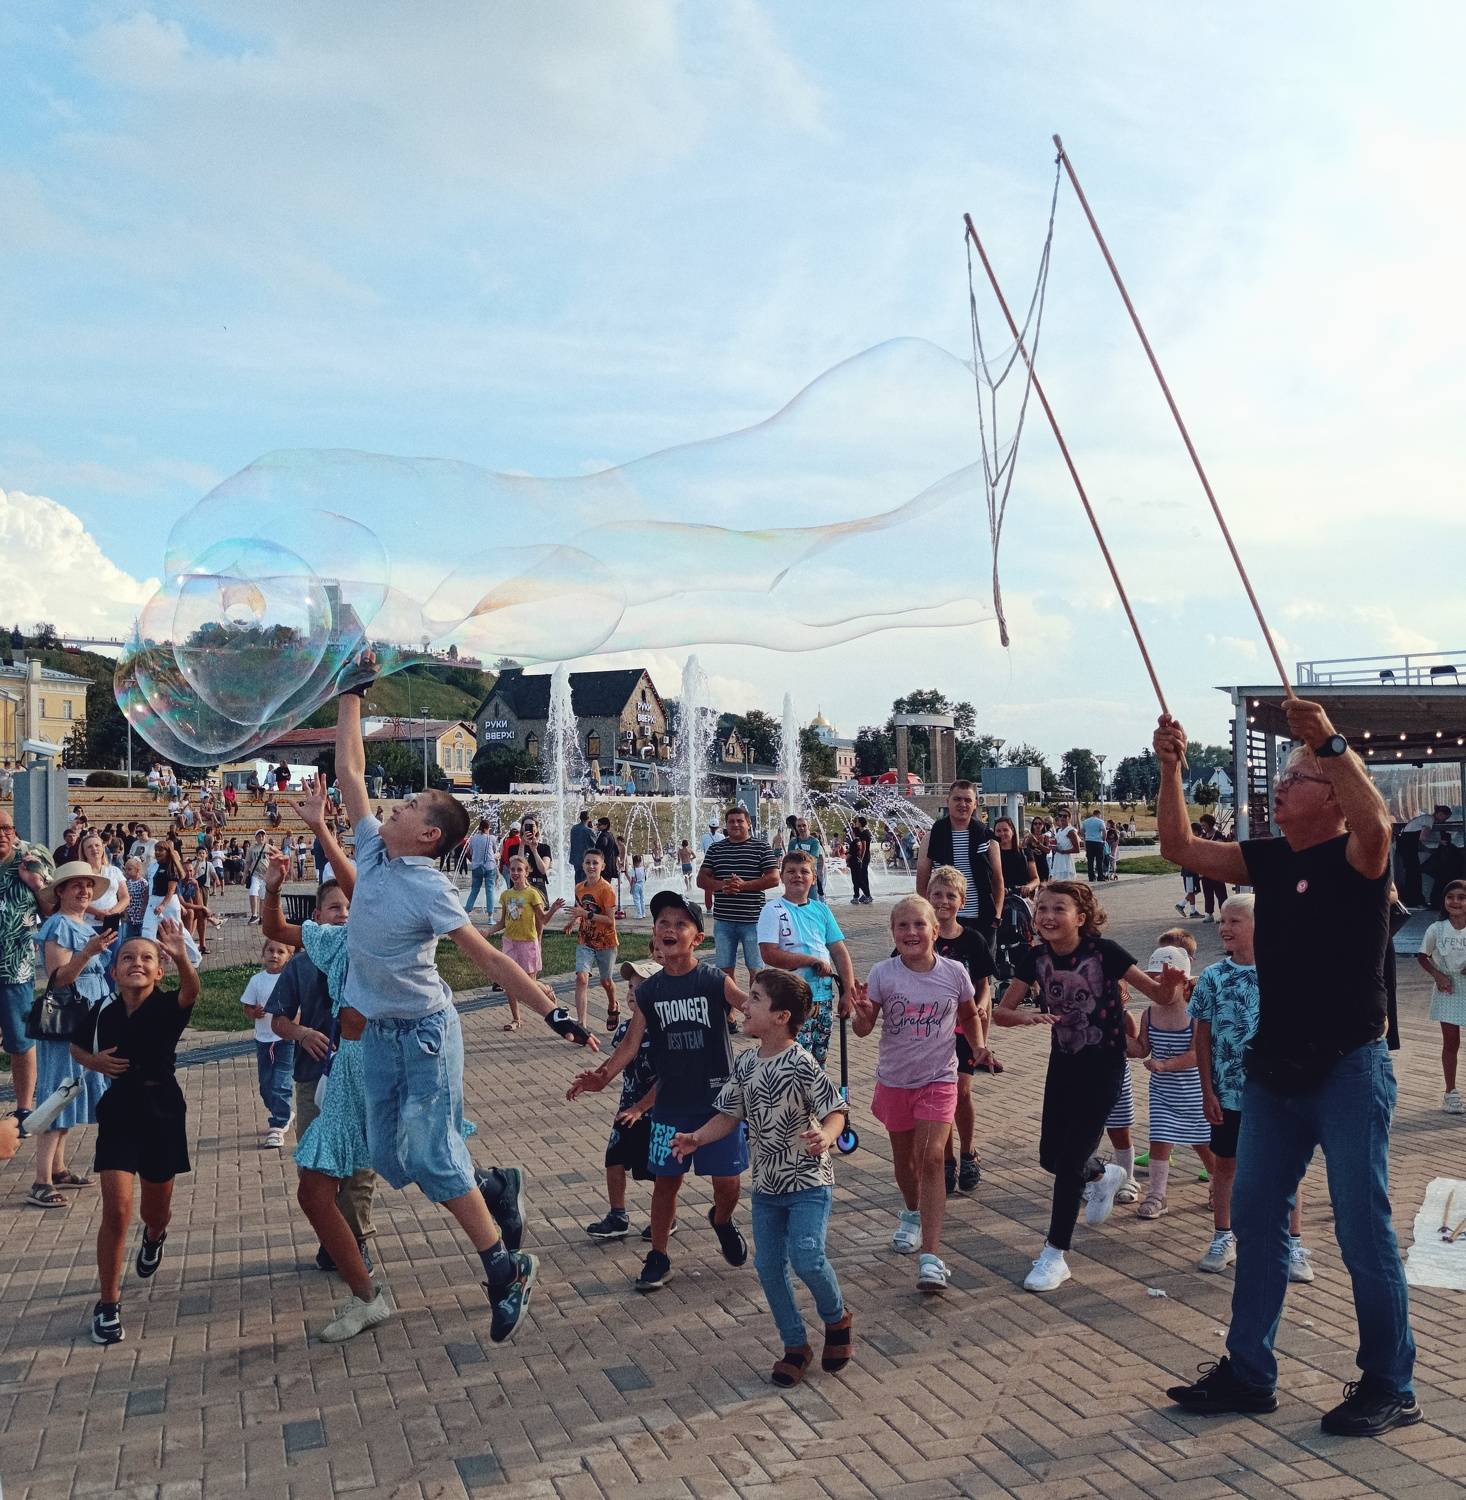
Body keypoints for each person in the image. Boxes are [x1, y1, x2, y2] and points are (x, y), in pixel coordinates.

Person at [1156, 699, 1420, 1436]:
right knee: (1254, 1216)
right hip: (1273, 1070)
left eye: (1296, 778)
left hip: (1349, 1067)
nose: (1280, 786)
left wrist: (1329, 741)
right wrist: (1171, 768)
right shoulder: (1269, 859)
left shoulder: (1359, 856)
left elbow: (1379, 825)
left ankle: (1391, 1384)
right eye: (1282, 776)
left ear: (1333, 796)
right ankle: (1249, 1372)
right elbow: (1178, 845)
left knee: (1361, 1227)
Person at [334, 664, 597, 1345]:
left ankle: (505, 1270)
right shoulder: (374, 850)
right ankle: (494, 1185)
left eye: (411, 807)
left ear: (429, 835)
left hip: (426, 1034)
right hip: (381, 1036)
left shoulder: (429, 888)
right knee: (391, 1159)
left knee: (432, 1157)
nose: (395, 808)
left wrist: (552, 1012)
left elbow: (490, 959)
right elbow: (351, 774)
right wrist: (350, 695)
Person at [993, 882, 1186, 1294]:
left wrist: (1170, 985)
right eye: (1041, 908)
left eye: (1058, 908)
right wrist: (1025, 1017)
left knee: (1068, 1164)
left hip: (1104, 1068)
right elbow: (1001, 1013)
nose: (1047, 916)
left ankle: (1054, 1255)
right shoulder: (1036, 957)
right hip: (1062, 1066)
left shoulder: (1106, 952)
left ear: (1080, 917)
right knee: (1050, 1157)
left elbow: (1156, 993)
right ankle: (1102, 1174)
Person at [671, 968, 851, 1386]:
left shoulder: (801, 1062)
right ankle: (795, 1346)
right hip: (768, 1187)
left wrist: (827, 1135)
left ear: (781, 1017)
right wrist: (697, 1138)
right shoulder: (747, 1062)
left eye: (754, 998)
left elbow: (836, 1111)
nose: (745, 1004)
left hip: (808, 1181)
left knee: (807, 1256)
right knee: (769, 1267)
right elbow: (729, 1114)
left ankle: (836, 1317)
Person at [568, 891, 749, 1293]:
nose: (669, 928)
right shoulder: (650, 992)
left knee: (727, 1183)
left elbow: (747, 1005)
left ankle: (721, 1219)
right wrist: (602, 1077)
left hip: (719, 1104)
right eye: (663, 922)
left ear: (696, 939)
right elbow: (630, 1045)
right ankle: (659, 1255)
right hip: (670, 1106)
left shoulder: (713, 980)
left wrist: (774, 1012)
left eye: (680, 924)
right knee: (666, 1181)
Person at [70, 919, 198, 1345]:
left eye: (146, 958)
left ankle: (155, 1236)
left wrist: (182, 957)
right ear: (114, 970)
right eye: (127, 958)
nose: (136, 963)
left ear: (159, 971)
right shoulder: (102, 1008)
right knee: (117, 1209)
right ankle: (108, 1304)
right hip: (120, 1111)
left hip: (162, 1111)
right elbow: (75, 1044)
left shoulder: (166, 1006)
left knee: (155, 1212)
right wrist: (94, 1063)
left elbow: (191, 991)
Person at [850, 895, 982, 1293]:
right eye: (902, 926)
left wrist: (979, 1047)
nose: (911, 932)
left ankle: (931, 1258)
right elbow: (863, 1029)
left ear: (935, 931)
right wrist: (861, 1014)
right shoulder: (882, 973)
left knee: (931, 1158)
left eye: (919, 924)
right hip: (895, 1080)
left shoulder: (954, 972)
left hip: (939, 1078)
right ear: (892, 932)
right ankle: (911, 1213)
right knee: (905, 1163)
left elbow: (968, 1013)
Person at [1190, 894, 1313, 1280]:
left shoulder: (1287, 973)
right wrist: (1207, 1091)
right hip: (1227, 1093)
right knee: (1225, 1164)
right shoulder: (1212, 976)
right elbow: (1202, 1038)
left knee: (1286, 1168)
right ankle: (1223, 1236)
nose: (1224, 928)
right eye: (1222, 921)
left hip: (1278, 1094)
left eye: (1235, 921)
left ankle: (1293, 1243)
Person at [265, 876, 378, 1275]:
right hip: (315, 1078)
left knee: (359, 1166)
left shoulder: (368, 958)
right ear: (316, 918)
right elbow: (277, 1020)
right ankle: (332, 1238)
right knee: (315, 1167)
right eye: (334, 908)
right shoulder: (300, 964)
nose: (344, 914)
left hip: (360, 1077)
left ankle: (355, 1241)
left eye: (350, 908)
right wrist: (301, 1033)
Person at [28, 862, 116, 1209]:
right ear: (60, 892)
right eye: (76, 885)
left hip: (88, 1019)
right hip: (68, 1021)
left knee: (74, 1089)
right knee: (60, 1092)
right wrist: (88, 953)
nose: (84, 891)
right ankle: (41, 1180)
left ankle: (58, 1168)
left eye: (88, 885)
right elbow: (58, 978)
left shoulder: (82, 925)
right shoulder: (58, 925)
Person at [923, 866, 996, 1196]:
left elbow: (984, 984)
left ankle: (968, 1152)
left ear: (962, 901)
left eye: (950, 896)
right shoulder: (922, 936)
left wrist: (979, 1005)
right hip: (930, 1032)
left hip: (964, 1028)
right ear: (928, 897)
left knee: (961, 1092)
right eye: (936, 895)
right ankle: (948, 1158)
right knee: (941, 1095)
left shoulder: (973, 940)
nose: (943, 901)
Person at [1128, 943, 1215, 1218]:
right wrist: (1114, 1035)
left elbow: (1196, 1055)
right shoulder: (1149, 1013)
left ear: (1184, 983)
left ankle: (1218, 1186)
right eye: (1154, 980)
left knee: (1204, 1144)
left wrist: (1165, 1065)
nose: (1159, 986)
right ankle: (1157, 1194)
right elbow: (1142, 1048)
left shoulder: (1194, 1015)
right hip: (1163, 1094)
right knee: (1159, 1140)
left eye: (1165, 980)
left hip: (1194, 1094)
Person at [756, 849, 856, 1069]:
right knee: (792, 1062)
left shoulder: (822, 910)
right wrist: (809, 961)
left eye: (804, 871)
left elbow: (839, 951)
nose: (798, 876)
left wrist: (848, 992)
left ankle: (815, 1092)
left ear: (813, 878)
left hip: (822, 999)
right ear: (782, 877)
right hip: (789, 1000)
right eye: (791, 871)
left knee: (818, 1063)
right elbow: (769, 953)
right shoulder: (772, 910)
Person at [585, 958, 661, 1241]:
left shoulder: (665, 1031)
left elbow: (670, 1077)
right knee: (614, 1158)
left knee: (659, 1171)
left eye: (640, 988)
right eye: (630, 987)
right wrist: (598, 1076)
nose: (632, 993)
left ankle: (664, 1217)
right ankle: (617, 1215)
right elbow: (618, 1057)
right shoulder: (625, 1028)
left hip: (657, 1111)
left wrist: (643, 1107)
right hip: (627, 1107)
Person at [0, 813, 52, 1118]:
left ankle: (23, 1109)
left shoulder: (32, 858)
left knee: (20, 1040)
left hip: (15, 968)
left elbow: (52, 909)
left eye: (7, 828)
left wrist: (35, 883)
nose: (3, 834)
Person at [917, 782, 1005, 954]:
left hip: (981, 916)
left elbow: (997, 879)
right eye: (957, 799)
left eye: (967, 800)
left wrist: (997, 914)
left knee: (981, 968)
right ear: (947, 801)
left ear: (975, 804)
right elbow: (922, 879)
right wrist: (926, 913)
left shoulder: (987, 839)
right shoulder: (932, 838)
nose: (962, 804)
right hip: (943, 916)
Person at [697, 805, 778, 989]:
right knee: (724, 972)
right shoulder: (716, 849)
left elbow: (774, 878)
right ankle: (730, 1006)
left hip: (753, 920)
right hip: (724, 921)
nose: (735, 824)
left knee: (756, 971)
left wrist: (744, 886)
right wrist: (722, 885)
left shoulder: (761, 847)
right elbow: (701, 879)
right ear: (726, 825)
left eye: (740, 821)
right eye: (731, 821)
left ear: (748, 823)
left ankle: (755, 1005)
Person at [487, 856, 564, 1031]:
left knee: (528, 983)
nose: (515, 873)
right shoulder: (506, 895)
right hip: (510, 943)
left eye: (519, 870)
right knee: (508, 981)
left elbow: (543, 919)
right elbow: (503, 922)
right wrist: (487, 932)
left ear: (526, 873)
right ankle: (516, 1019)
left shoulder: (532, 894)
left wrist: (553, 909)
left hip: (528, 943)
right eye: (512, 869)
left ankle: (547, 989)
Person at [240, 939, 296, 1148]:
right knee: (266, 1086)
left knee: (280, 1081)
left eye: (281, 952)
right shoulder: (257, 980)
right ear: (263, 953)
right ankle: (283, 1111)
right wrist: (254, 1012)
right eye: (270, 950)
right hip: (263, 1040)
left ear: (289, 957)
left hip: (284, 1040)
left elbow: (299, 1008)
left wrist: (295, 1026)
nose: (274, 955)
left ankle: (278, 1125)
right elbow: (247, 1007)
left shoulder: (290, 980)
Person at [1417, 878, 1466, 1113]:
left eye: (1461, 897)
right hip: (1448, 988)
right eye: (1450, 897)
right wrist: (1438, 975)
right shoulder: (1436, 929)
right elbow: (1422, 956)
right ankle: (1450, 1092)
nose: (1455, 902)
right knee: (1451, 1041)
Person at [567, 848, 619, 1032]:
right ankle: (581, 1024)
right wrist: (574, 921)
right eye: (588, 862)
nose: (591, 866)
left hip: (606, 942)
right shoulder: (579, 888)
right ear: (582, 865)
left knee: (606, 982)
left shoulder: (607, 890)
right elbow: (581, 910)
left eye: (595, 863)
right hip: (586, 940)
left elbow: (610, 920)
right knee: (581, 978)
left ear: (602, 866)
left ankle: (613, 1005)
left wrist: (585, 914)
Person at [464, 818, 499, 920]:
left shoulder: (473, 838)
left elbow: (469, 852)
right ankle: (490, 916)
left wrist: (474, 859)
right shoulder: (491, 838)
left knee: (474, 890)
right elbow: (494, 851)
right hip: (489, 867)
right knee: (490, 890)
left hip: (476, 867)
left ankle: (467, 912)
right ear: (488, 828)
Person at [1196, 814, 1228, 920]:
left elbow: (1222, 851)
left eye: (1204, 825)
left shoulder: (1219, 835)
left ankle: (1224, 914)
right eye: (1201, 826)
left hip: (1217, 870)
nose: (1203, 828)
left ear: (1210, 824)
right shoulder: (1203, 836)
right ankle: (1209, 914)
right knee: (1207, 893)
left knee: (1220, 893)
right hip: (1205, 870)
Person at [788, 818, 826, 902]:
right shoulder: (793, 842)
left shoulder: (814, 842)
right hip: (796, 878)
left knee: (812, 902)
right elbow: (789, 860)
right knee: (796, 902)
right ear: (796, 827)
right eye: (799, 826)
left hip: (809, 877)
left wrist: (799, 856)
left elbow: (813, 859)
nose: (802, 828)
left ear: (808, 826)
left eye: (804, 825)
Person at [242, 832, 269, 924]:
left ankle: (262, 916)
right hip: (255, 874)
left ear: (265, 837)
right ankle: (254, 915)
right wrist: (244, 876)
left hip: (266, 876)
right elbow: (248, 863)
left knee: (263, 896)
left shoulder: (269, 848)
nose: (261, 837)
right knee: (253, 892)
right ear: (256, 837)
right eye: (259, 836)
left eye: (263, 835)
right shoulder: (252, 849)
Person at [847, 816, 873, 905]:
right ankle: (866, 895)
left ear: (861, 823)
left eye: (857, 822)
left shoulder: (864, 833)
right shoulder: (862, 832)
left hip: (864, 857)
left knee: (862, 877)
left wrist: (861, 859)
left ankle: (868, 896)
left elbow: (864, 847)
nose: (856, 823)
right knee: (862, 877)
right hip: (863, 857)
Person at [1048, 809, 1080, 882]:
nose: (1062, 818)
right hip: (1058, 858)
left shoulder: (1071, 831)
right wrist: (1053, 846)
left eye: (1065, 816)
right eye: (1060, 816)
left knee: (1066, 882)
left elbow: (1077, 849)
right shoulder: (1059, 830)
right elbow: (1059, 844)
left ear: (1069, 818)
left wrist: (1062, 851)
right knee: (1057, 882)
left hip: (1066, 860)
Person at [569, 810, 597, 886]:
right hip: (585, 859)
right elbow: (596, 844)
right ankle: (583, 893)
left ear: (580, 818)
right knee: (585, 879)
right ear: (588, 818)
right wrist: (592, 829)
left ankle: (577, 893)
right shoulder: (588, 830)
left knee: (577, 879)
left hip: (575, 859)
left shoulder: (574, 828)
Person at [1081, 809, 1107, 884]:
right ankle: (1100, 876)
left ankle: (1091, 877)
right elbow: (1104, 832)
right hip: (1098, 842)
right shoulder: (1100, 821)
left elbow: (1082, 831)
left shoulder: (1085, 821)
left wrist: (1085, 837)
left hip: (1089, 842)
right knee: (1099, 860)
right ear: (1098, 814)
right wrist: (1104, 840)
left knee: (1090, 860)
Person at [628, 853, 647, 920]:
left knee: (636, 900)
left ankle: (639, 914)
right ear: (640, 861)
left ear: (634, 862)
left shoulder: (633, 870)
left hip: (636, 885)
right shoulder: (643, 868)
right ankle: (643, 913)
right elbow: (645, 877)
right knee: (642, 899)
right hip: (642, 884)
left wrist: (631, 888)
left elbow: (633, 880)